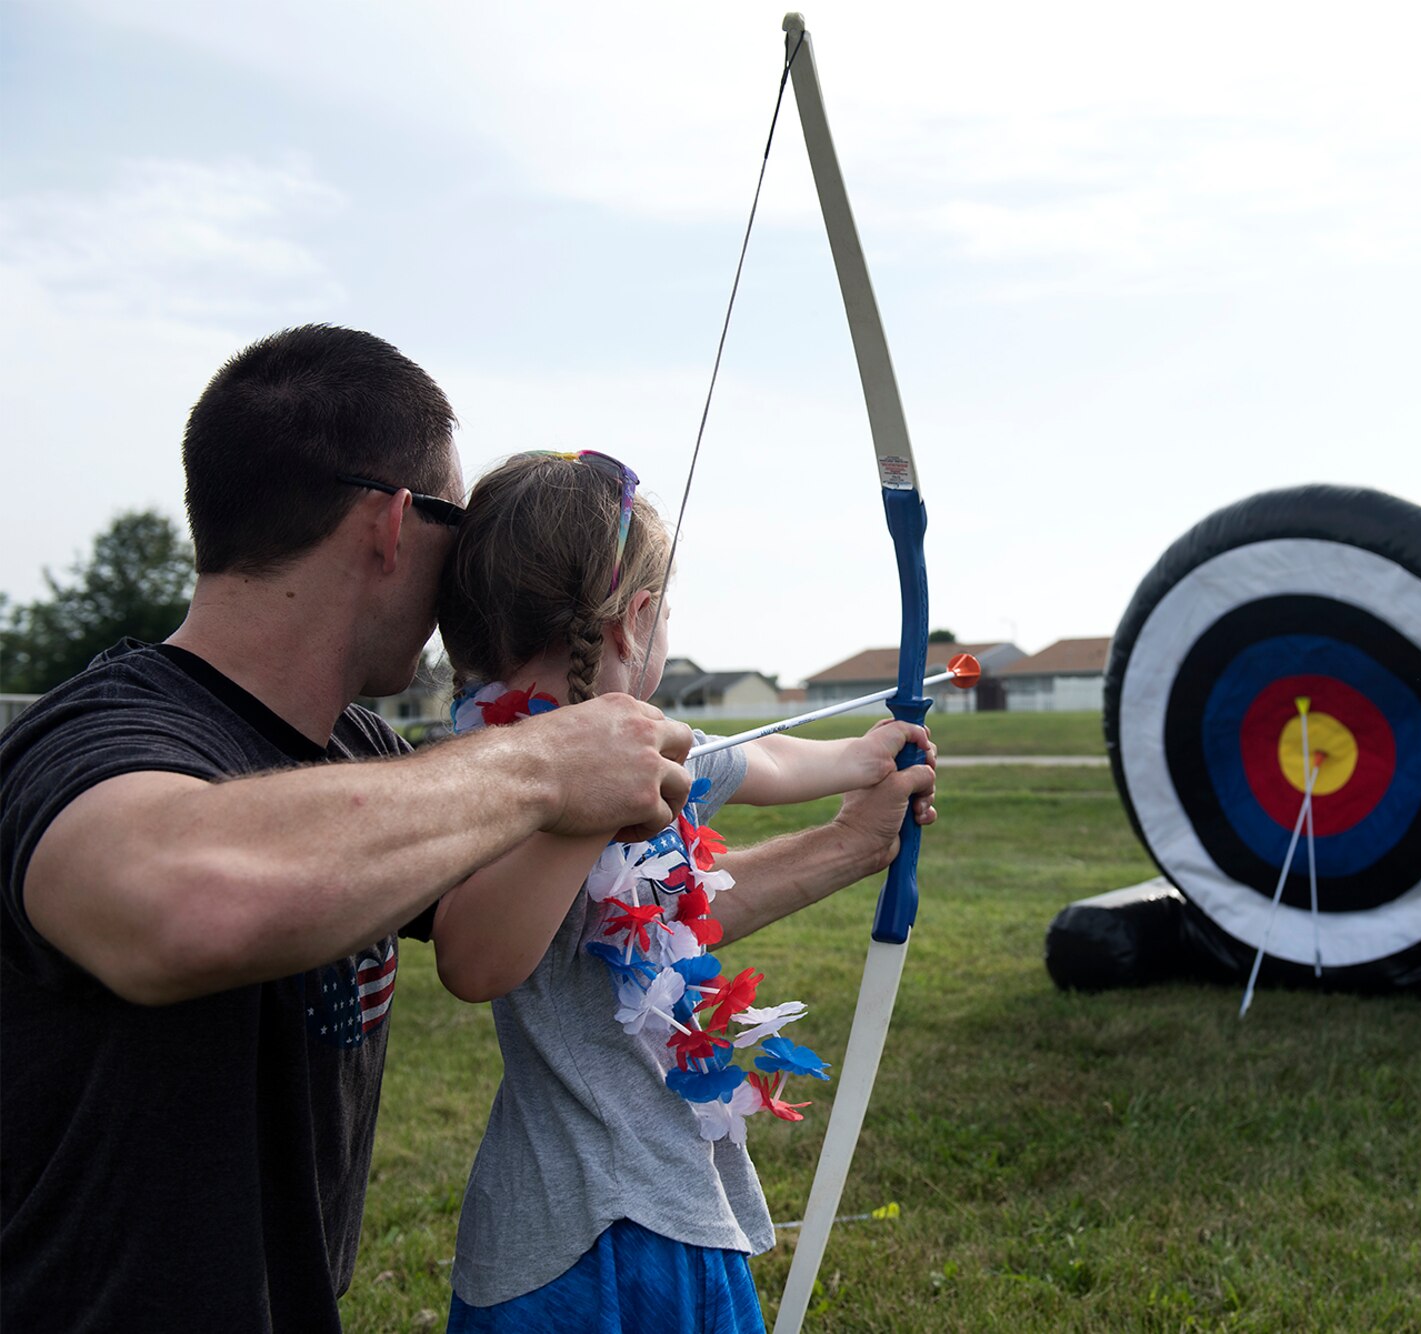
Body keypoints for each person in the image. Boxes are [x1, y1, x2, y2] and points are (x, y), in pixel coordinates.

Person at [0, 326, 936, 1333]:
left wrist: (851, 838)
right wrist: (550, 764)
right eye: (464, 522)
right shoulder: (103, 736)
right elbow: (179, 901)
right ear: (396, 526)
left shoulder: (372, 758)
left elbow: (607, 918)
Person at [427, 450, 935, 1332]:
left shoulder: (650, 745)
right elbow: (474, 961)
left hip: (633, 1202)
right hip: (602, 1234)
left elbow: (765, 757)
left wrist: (860, 758)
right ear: (639, 621)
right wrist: (584, 808)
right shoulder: (488, 773)